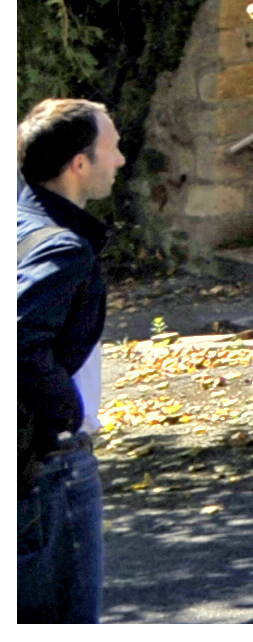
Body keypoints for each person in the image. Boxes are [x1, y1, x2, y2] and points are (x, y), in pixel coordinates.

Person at [17, 99, 123, 623]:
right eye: (112, 147)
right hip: (50, 469)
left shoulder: (17, 222)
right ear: (79, 165)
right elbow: (16, 338)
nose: (121, 160)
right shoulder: (62, 249)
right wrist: (66, 416)